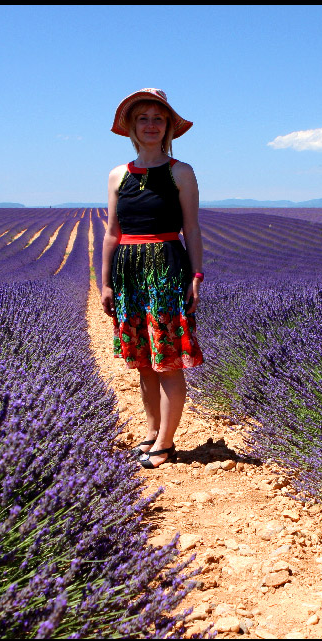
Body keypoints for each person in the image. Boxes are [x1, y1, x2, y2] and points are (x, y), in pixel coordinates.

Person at [100, 88, 205, 469]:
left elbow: (191, 229)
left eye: (157, 118)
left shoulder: (181, 172)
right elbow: (111, 232)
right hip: (128, 272)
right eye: (142, 118)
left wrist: (196, 275)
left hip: (166, 270)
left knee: (168, 359)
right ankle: (151, 432)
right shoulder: (117, 175)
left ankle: (165, 442)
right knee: (143, 362)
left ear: (168, 127)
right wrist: (106, 281)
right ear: (131, 126)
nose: (150, 125)